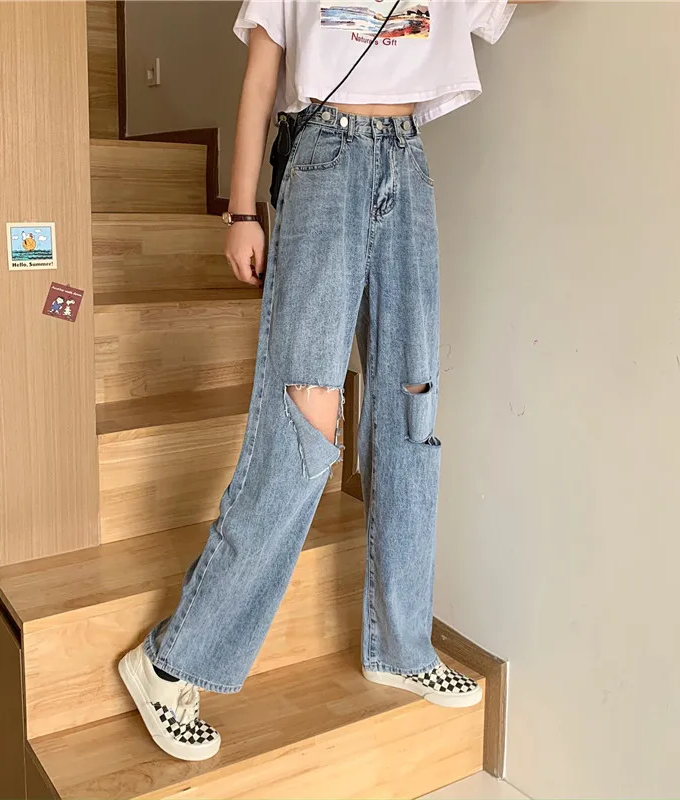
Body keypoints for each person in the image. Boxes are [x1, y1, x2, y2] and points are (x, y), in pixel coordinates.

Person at [119, 0, 517, 762]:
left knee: (411, 408)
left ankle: (400, 643)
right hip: (325, 160)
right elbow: (259, 79)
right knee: (305, 423)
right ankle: (171, 660)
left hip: (407, 159)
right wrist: (241, 210)